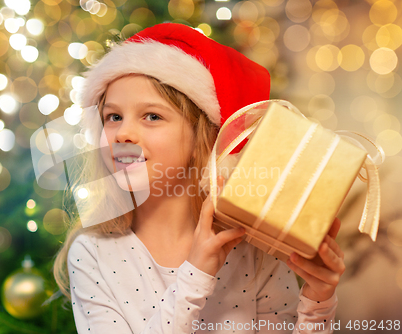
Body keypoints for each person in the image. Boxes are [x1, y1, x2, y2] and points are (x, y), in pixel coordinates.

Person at [53, 23, 344, 333]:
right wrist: (194, 276)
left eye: (152, 116)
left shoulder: (252, 250)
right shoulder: (92, 253)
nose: (122, 132)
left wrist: (318, 303)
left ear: (200, 138)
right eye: (113, 117)